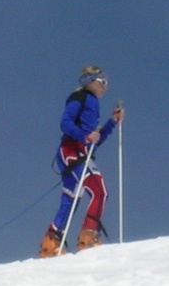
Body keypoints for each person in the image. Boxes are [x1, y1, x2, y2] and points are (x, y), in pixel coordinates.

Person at [39, 66, 125, 258]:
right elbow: (66, 122)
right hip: (71, 150)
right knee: (99, 190)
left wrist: (112, 122)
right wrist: (84, 136)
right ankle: (88, 236)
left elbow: (95, 141)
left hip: (80, 152)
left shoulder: (93, 103)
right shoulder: (81, 97)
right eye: (102, 82)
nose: (105, 87)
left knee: (71, 197)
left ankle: (51, 243)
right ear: (90, 81)